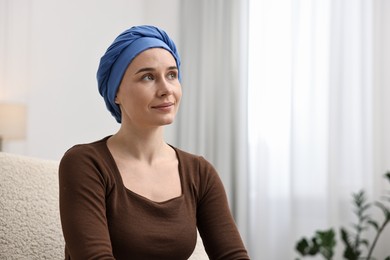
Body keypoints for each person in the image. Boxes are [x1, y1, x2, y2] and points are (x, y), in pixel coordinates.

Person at [59, 25, 250, 260]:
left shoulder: (199, 173)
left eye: (172, 75)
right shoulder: (85, 164)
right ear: (115, 92)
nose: (166, 89)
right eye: (148, 77)